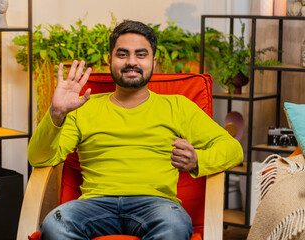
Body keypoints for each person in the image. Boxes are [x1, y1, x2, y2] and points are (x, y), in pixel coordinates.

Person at [28, 20, 243, 240]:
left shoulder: (178, 106)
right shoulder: (83, 107)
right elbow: (38, 158)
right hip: (94, 206)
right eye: (123, 54)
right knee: (55, 224)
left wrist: (198, 159)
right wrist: (56, 113)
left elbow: (233, 149)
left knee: (174, 226)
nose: (132, 62)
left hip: (156, 206)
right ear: (110, 60)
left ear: (153, 61)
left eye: (141, 55)